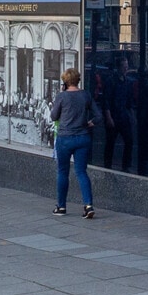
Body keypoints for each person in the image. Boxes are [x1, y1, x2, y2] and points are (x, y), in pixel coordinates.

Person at [51, 67, 96, 219]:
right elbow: (98, 115)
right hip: (83, 137)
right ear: (78, 80)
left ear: (65, 82)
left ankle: (61, 206)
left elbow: (53, 116)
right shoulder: (85, 95)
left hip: (65, 138)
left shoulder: (61, 97)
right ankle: (88, 205)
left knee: (63, 172)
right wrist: (90, 123)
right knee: (81, 172)